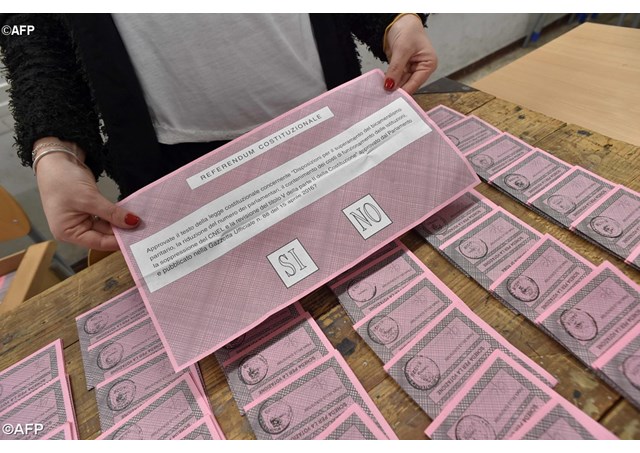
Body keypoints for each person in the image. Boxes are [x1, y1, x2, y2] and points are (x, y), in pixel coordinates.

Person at [0, 13, 438, 251]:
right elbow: (29, 26)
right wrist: (54, 146)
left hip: (335, 116)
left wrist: (392, 16)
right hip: (177, 163)